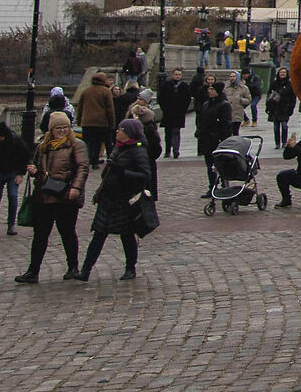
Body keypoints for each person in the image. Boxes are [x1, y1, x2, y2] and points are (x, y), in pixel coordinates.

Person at [79, 116, 156, 281]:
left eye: (121, 130)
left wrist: (123, 173)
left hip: (125, 198)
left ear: (129, 133)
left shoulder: (138, 150)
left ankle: (130, 268)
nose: (117, 131)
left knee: (127, 235)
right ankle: (85, 270)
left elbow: (145, 175)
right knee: (99, 234)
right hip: (108, 197)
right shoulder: (117, 147)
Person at [16, 111, 88, 283]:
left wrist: (76, 188)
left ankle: (73, 267)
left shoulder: (76, 145)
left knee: (67, 232)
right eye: (58, 128)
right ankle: (33, 271)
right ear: (51, 129)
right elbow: (36, 165)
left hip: (65, 195)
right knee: (40, 235)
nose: (62, 131)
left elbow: (82, 168)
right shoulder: (43, 146)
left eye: (65, 127)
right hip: (44, 195)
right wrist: (35, 171)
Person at [158, 69, 191, 158]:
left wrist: (183, 110)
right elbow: (160, 98)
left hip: (179, 113)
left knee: (176, 131)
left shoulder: (184, 86)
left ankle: (176, 150)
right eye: (176, 74)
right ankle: (168, 150)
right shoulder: (166, 85)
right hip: (168, 113)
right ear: (173, 75)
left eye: (179, 74)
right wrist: (164, 108)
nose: (177, 76)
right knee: (168, 132)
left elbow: (187, 99)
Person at [265, 69, 297, 149]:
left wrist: (291, 108)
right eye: (281, 72)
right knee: (276, 127)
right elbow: (269, 95)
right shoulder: (274, 83)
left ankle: (284, 142)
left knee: (284, 125)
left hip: (285, 108)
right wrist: (268, 106)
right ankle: (277, 143)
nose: (282, 74)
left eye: (284, 72)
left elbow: (293, 98)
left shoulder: (289, 84)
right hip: (275, 108)